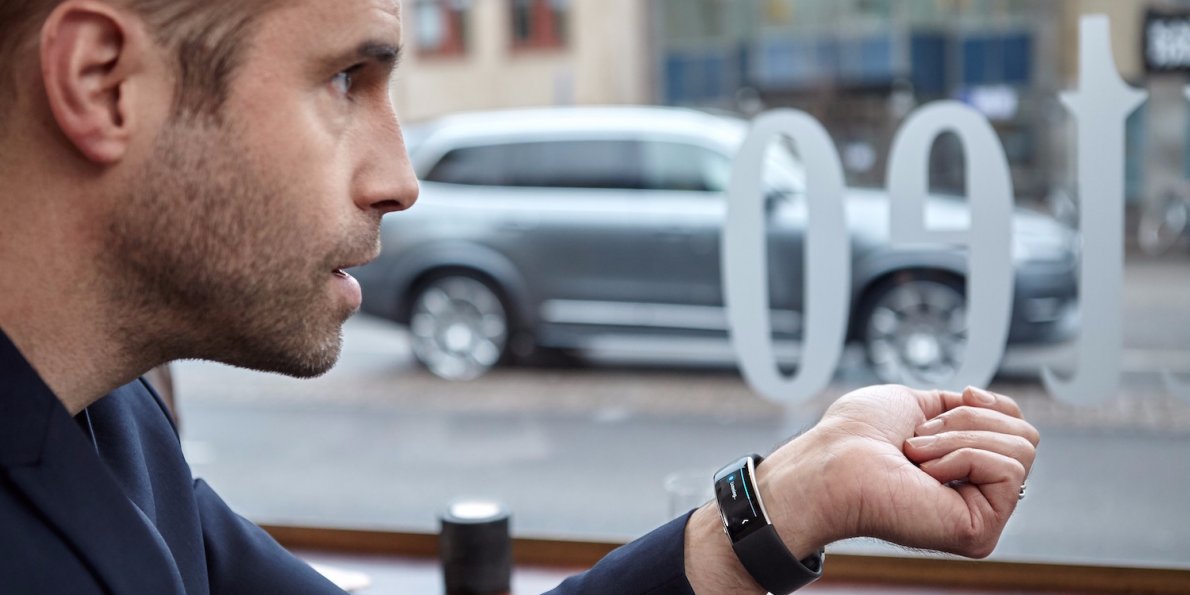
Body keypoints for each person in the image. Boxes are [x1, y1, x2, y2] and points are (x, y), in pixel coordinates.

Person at [0, 1, 1038, 593]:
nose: (401, 179)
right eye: (346, 81)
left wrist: (787, 498)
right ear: (104, 83)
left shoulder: (111, 417)